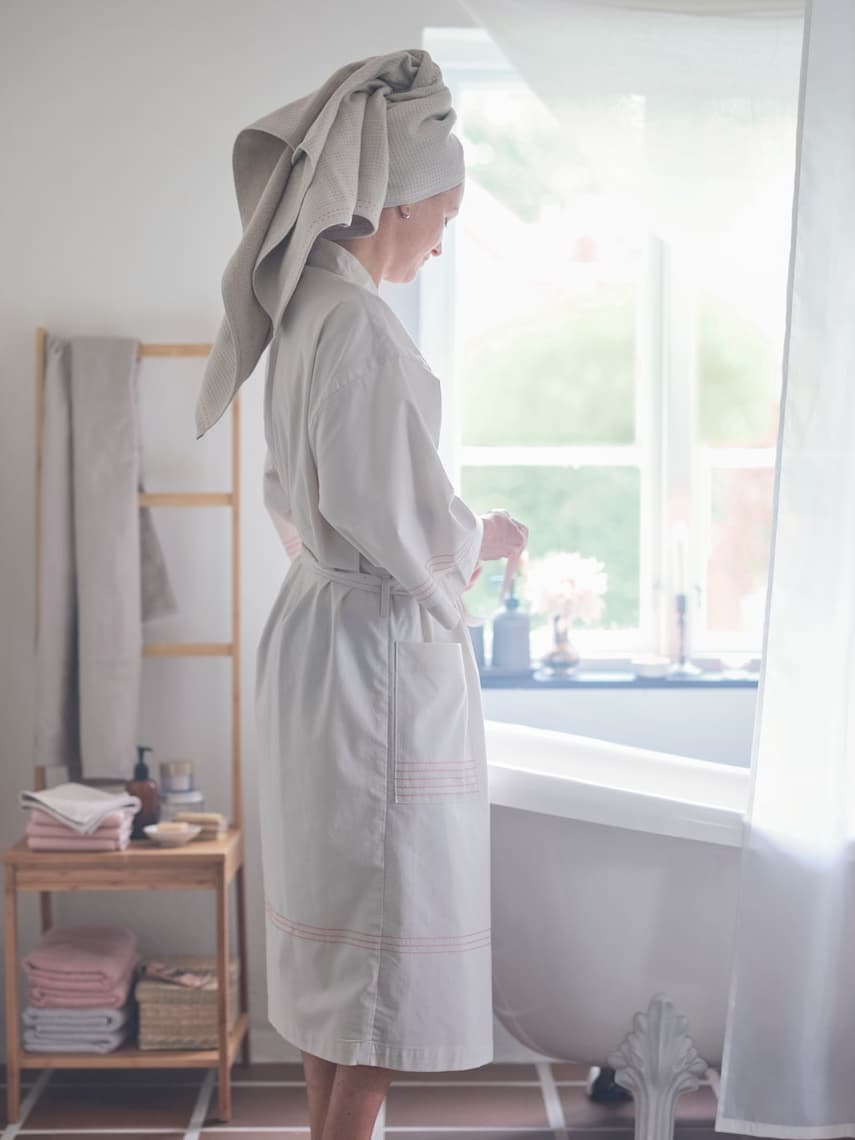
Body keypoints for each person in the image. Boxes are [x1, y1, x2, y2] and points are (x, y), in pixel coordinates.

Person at [195, 50, 528, 1140]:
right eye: (447, 208)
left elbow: (307, 496)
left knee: (339, 956)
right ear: (393, 198)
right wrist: (480, 536)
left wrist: (429, 535)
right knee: (376, 961)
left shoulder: (304, 317)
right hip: (372, 664)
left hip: (319, 643)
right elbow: (406, 528)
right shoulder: (363, 333)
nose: (445, 236)